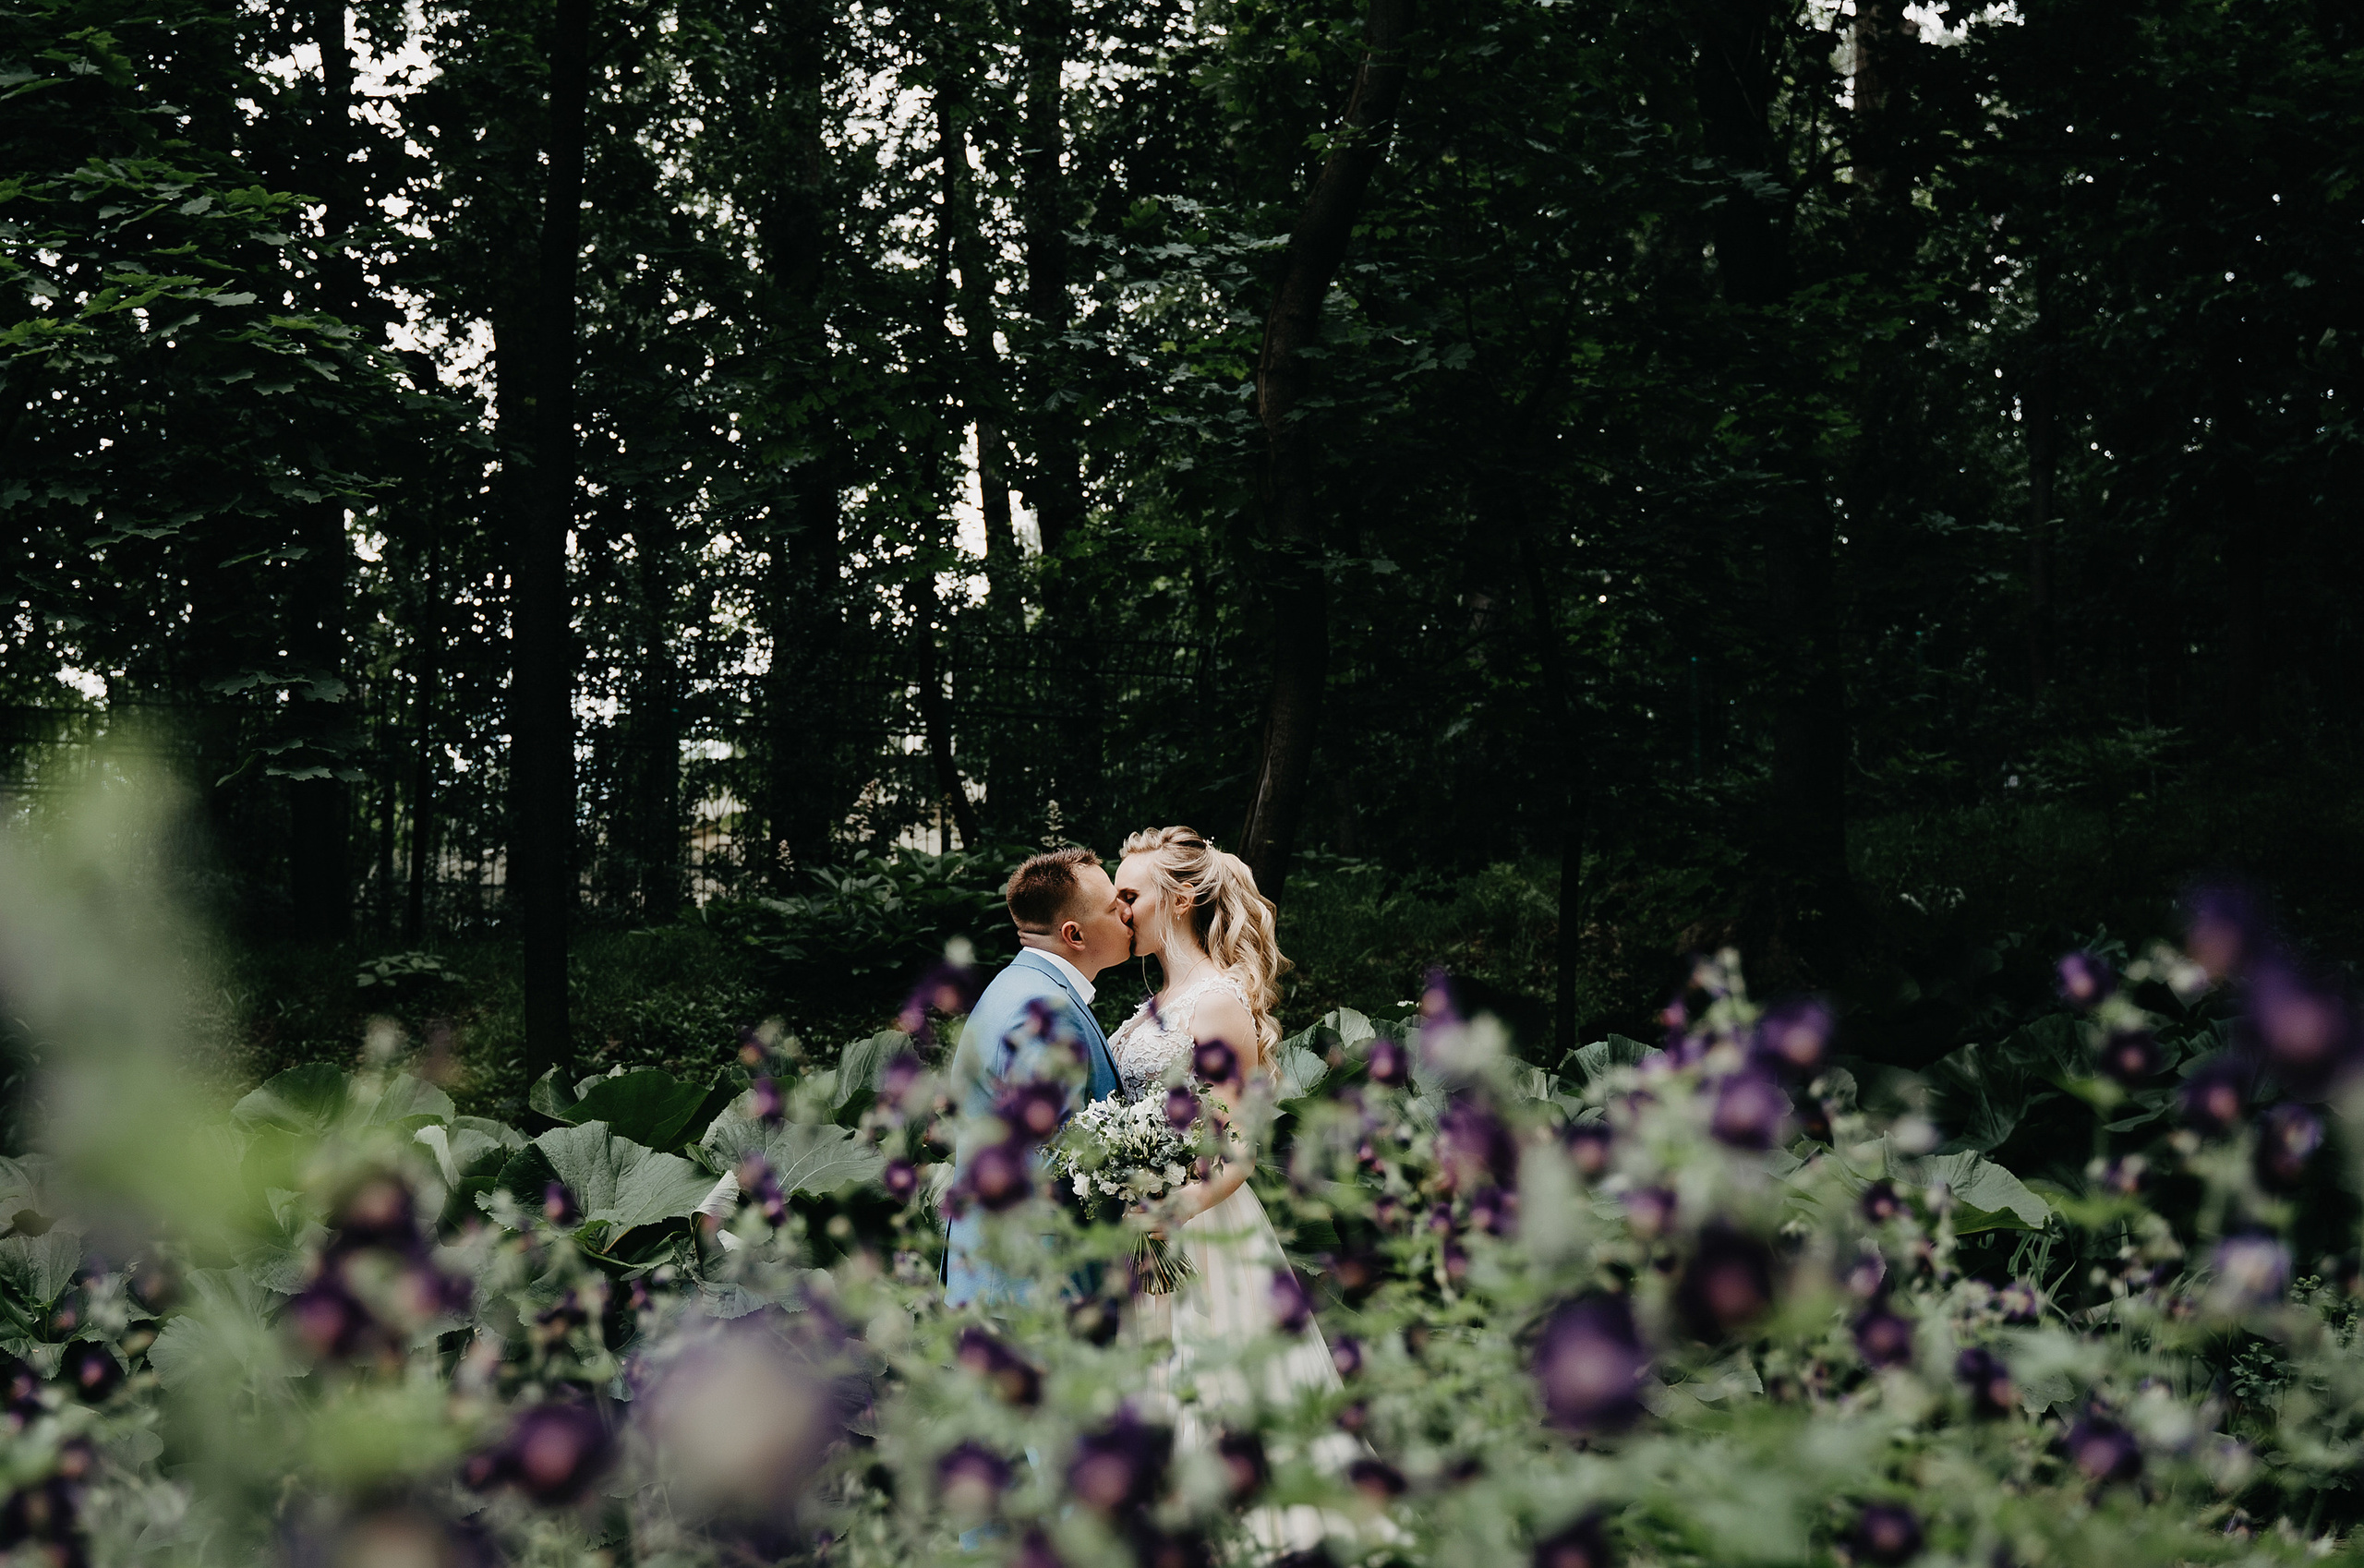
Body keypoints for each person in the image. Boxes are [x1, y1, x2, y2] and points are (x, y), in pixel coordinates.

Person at [1111, 826, 1352, 1549]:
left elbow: (1238, 1148)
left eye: (1130, 894)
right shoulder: (1154, 1000)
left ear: (1179, 898)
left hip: (1200, 1224)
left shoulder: (1215, 1001)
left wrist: (1171, 1208)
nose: (1119, 909)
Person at [942, 847, 1129, 1309]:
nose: (1127, 913)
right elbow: (1054, 1161)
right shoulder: (1046, 1010)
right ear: (1074, 934)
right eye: (1113, 907)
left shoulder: (1017, 986)